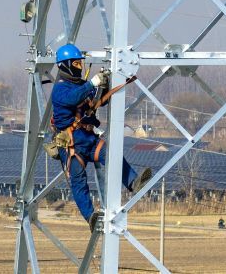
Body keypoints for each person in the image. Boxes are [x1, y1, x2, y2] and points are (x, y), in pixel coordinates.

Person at [50, 43, 153, 229]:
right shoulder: (60, 89)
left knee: (112, 155)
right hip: (71, 144)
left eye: (80, 64)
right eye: (76, 64)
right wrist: (92, 83)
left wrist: (103, 86)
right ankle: (90, 216)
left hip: (88, 139)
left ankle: (133, 182)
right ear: (64, 65)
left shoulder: (81, 86)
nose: (79, 68)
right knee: (79, 182)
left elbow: (96, 102)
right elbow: (73, 98)